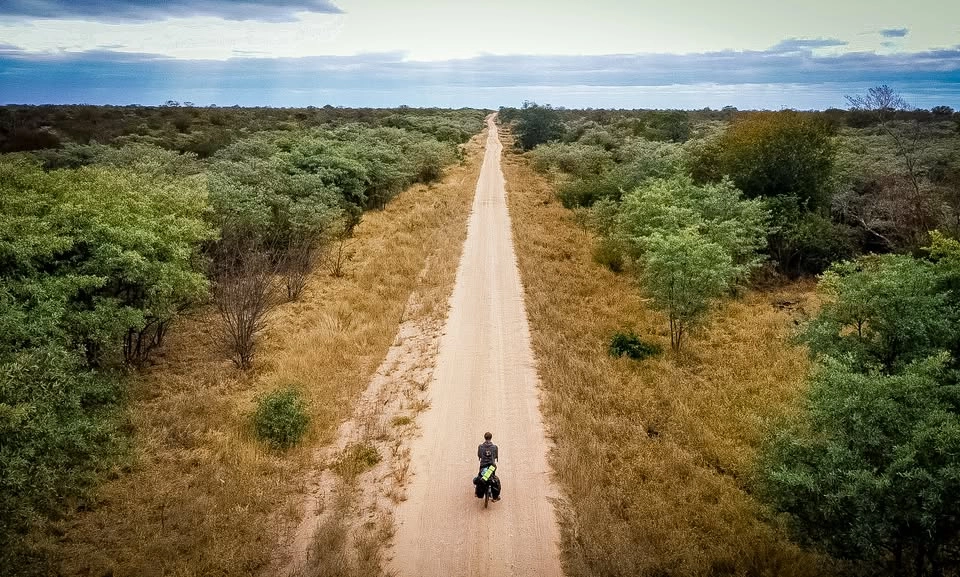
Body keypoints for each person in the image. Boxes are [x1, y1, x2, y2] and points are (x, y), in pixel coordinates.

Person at [474, 432, 501, 501]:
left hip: (483, 466)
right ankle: (495, 496)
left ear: (484, 438)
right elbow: (495, 456)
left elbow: (479, 455)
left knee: (480, 476)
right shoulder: (495, 447)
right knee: (493, 478)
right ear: (491, 438)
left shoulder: (480, 446)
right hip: (492, 466)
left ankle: (477, 492)